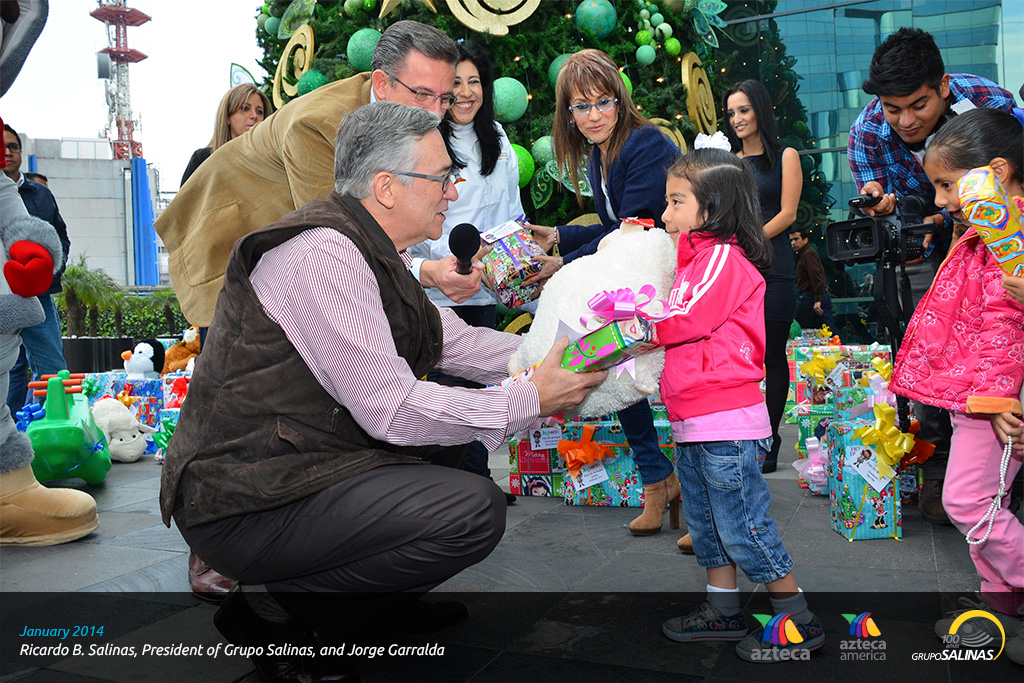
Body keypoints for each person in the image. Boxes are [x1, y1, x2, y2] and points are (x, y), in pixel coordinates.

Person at [158, 102, 606, 681]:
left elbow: (457, 345)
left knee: (451, 452)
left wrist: (573, 359)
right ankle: (279, 611)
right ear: (387, 188)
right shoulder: (324, 254)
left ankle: (369, 603)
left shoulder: (372, 250)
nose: (454, 190)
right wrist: (528, 397)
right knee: (471, 510)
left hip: (299, 465)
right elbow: (390, 409)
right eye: (443, 175)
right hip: (246, 497)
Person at [155, 20, 481, 329]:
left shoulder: (393, 119)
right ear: (381, 84)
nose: (436, 113)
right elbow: (341, 239)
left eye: (445, 99)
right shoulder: (319, 127)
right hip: (225, 237)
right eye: (422, 95)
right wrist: (429, 272)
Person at [655, 148, 823, 662]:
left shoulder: (723, 260)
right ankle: (723, 608)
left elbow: (687, 318)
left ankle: (798, 617)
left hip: (724, 422)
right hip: (695, 418)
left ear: (714, 207)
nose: (665, 215)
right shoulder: (695, 261)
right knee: (705, 524)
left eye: (676, 202)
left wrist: (632, 330)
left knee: (742, 526)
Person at [848, 28, 1015, 524]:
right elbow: (884, 211)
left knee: (1002, 341)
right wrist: (887, 207)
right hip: (929, 252)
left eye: (917, 105)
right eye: (891, 108)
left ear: (943, 86)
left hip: (1005, 242)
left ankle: (1004, 464)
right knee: (936, 349)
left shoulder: (990, 102)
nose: (903, 121)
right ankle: (940, 464)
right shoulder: (867, 133)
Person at [524, 49, 681, 537]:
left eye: (601, 103)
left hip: (669, 272)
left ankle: (700, 497)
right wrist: (558, 235)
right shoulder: (600, 153)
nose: (592, 116)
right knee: (616, 368)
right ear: (567, 112)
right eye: (580, 107)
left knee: (674, 385)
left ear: (620, 99)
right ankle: (660, 483)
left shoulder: (646, 144)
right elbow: (616, 227)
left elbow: (636, 226)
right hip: (634, 271)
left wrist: (564, 260)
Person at [889, 108, 1023, 647]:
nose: (941, 201)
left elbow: (1002, 327)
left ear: (996, 170)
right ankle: (1002, 612)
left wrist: (993, 400)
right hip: (979, 397)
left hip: (995, 403)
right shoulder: (988, 231)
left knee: (968, 502)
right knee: (984, 507)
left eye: (947, 186)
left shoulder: (1009, 237)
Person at [407, 44, 523, 504]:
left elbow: (511, 213)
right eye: (456, 83)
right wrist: (429, 271)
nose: (466, 92)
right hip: (436, 294)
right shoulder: (426, 142)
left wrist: (510, 268)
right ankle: (466, 483)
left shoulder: (497, 139)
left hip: (483, 291)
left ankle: (475, 478)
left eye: (475, 82)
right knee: (448, 393)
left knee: (483, 389)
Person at [722, 79, 801, 474]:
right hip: (738, 273)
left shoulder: (785, 154)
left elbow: (787, 214)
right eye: (732, 112)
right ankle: (746, 435)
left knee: (773, 356)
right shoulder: (731, 162)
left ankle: (770, 440)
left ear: (760, 110)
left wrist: (748, 242)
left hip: (775, 269)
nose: (737, 118)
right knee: (743, 359)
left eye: (744, 110)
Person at [3, 124, 69, 415]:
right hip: (4, 292)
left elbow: (60, 235)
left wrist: (51, 268)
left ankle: (52, 427)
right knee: (11, 368)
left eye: (13, 146)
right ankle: (13, 427)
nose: (7, 152)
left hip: (37, 292)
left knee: (51, 365)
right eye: (2, 146)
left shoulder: (40, 194)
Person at [180, 83, 271, 186]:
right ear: (227, 116)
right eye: (245, 108)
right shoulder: (202, 159)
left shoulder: (268, 165)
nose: (254, 116)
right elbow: (184, 201)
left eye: (259, 111)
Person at [790, 227, 838, 334]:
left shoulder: (808, 254)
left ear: (805, 240)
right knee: (827, 328)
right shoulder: (803, 254)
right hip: (814, 295)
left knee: (796, 327)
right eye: (791, 240)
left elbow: (816, 276)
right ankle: (841, 347)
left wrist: (817, 299)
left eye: (796, 239)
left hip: (811, 296)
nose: (793, 243)